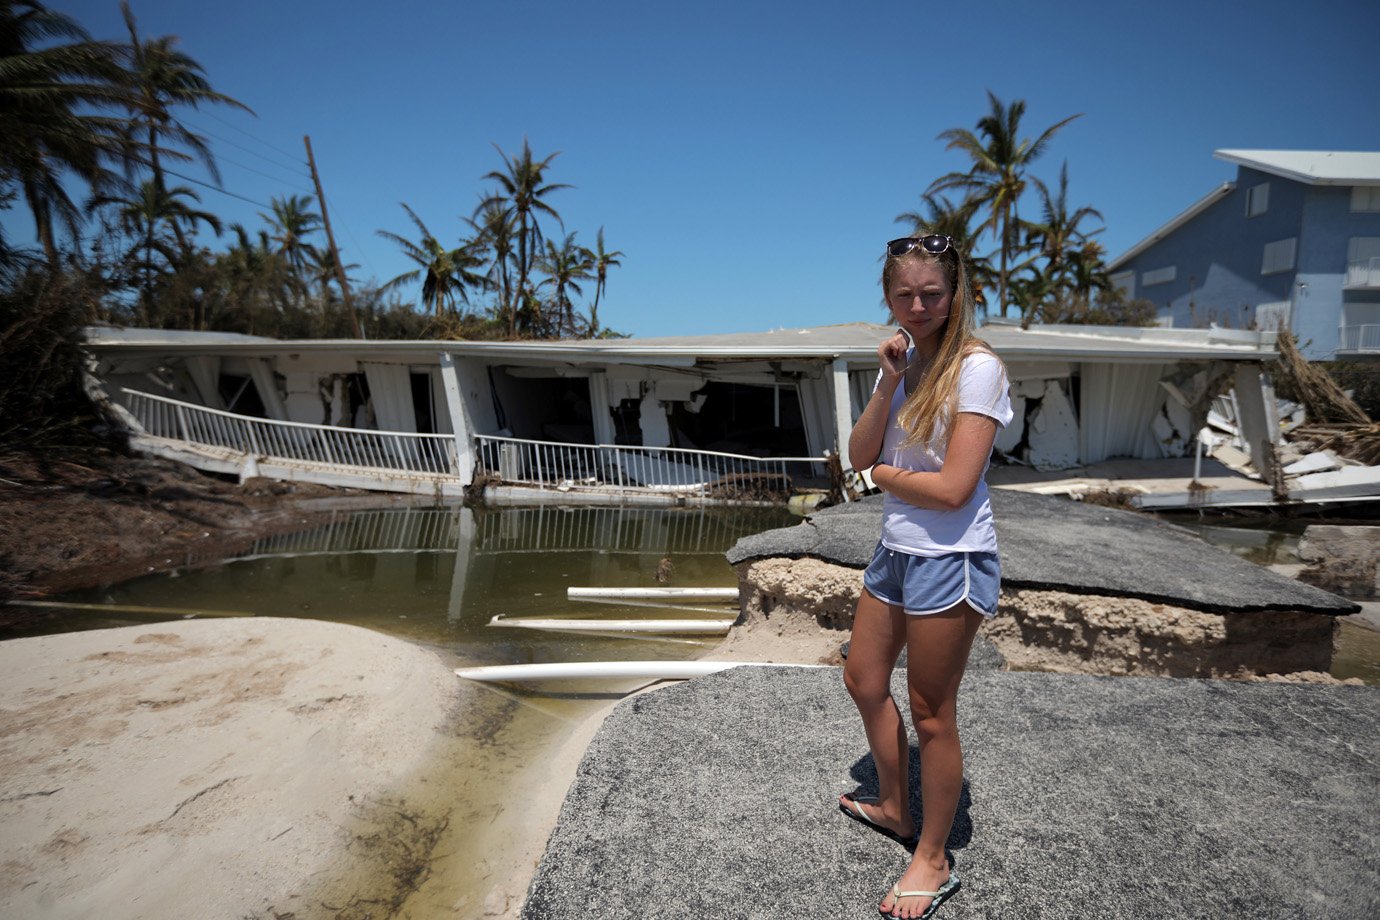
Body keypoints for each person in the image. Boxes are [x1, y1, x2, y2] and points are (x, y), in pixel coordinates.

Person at [838, 234, 1012, 919]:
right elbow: (859, 447)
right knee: (863, 680)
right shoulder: (903, 362)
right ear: (887, 297)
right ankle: (893, 806)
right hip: (897, 551)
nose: (918, 306)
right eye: (904, 294)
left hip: (952, 557)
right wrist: (885, 379)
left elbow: (952, 489)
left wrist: (879, 475)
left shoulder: (978, 369)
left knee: (933, 713)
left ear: (956, 292)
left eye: (931, 294)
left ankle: (933, 859)